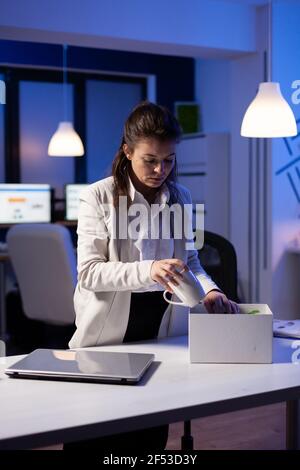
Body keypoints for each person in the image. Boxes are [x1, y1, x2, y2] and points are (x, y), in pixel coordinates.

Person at [64, 101, 239, 452]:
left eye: (169, 160)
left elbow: (190, 259)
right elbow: (89, 273)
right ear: (128, 151)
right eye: (150, 160)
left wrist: (209, 291)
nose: (161, 169)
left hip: (162, 333)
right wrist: (150, 269)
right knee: (95, 440)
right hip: (107, 340)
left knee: (148, 441)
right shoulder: (98, 197)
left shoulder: (180, 197)